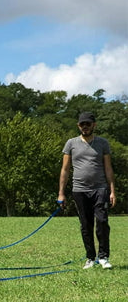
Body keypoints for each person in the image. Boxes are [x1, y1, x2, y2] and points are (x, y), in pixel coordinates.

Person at [58, 111, 116, 269]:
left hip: (100, 188)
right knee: (86, 225)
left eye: (88, 124)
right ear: (78, 126)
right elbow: (65, 169)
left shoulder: (103, 143)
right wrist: (61, 193)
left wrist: (112, 191)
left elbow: (108, 168)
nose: (85, 127)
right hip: (79, 190)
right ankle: (90, 257)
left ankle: (103, 257)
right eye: (82, 124)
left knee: (102, 222)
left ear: (94, 125)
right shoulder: (71, 143)